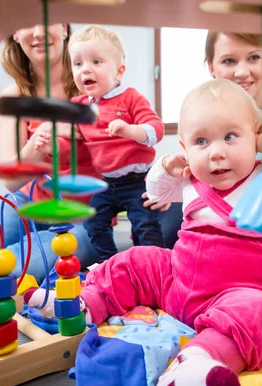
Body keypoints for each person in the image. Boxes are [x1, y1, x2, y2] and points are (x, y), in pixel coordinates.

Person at [31, 79, 262, 386]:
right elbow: (154, 193)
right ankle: (84, 304)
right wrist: (164, 168)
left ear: (256, 139)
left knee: (260, 310)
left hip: (232, 298)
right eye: (202, 141)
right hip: (176, 284)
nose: (216, 153)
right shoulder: (190, 179)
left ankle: (198, 362)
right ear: (185, 149)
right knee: (139, 258)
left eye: (230, 137)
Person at [0, 24, 173, 287]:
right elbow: (11, 181)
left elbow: (135, 146)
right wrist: (41, 141)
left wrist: (158, 184)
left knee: (7, 270)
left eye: (46, 20)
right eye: (28, 20)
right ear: (15, 32)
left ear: (63, 27)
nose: (38, 31)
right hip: (26, 201)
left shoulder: (96, 87)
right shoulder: (14, 96)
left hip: (82, 214)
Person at [38, 25, 166, 263]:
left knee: (145, 225)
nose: (85, 69)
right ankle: (109, 264)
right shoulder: (78, 105)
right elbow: (73, 147)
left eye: (96, 62)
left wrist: (130, 130)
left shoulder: (130, 97)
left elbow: (156, 129)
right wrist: (54, 148)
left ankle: (153, 266)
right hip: (106, 183)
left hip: (137, 181)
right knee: (94, 222)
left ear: (119, 72)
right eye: (78, 64)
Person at [205, 32, 262, 128]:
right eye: (228, 61)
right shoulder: (200, 114)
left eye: (254, 57)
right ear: (211, 68)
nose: (242, 72)